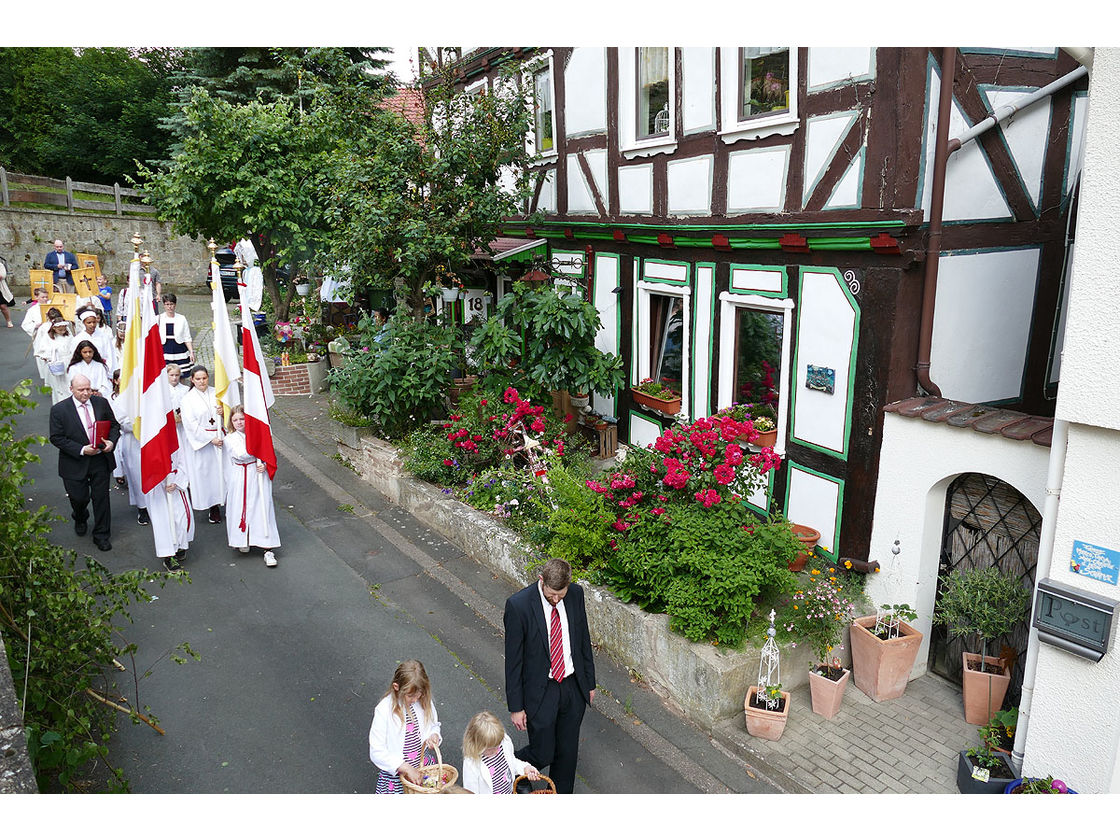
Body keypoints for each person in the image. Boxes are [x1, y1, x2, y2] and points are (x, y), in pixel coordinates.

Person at [503, 556, 596, 794]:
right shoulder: (518, 605)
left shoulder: (575, 595)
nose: (556, 600)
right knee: (544, 751)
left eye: (560, 595)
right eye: (551, 594)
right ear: (541, 580)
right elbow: (514, 661)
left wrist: (589, 682)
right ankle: (506, 766)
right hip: (541, 690)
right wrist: (516, 706)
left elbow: (583, 639)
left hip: (573, 685)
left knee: (566, 755)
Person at [48, 373, 120, 551]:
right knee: (79, 498)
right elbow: (56, 438)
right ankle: (80, 516)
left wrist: (111, 442)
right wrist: (81, 450)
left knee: (101, 498)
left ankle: (102, 535)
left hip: (100, 459)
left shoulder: (101, 403)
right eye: (81, 389)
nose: (86, 393)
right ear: (71, 389)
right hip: (74, 461)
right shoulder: (59, 410)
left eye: (88, 388)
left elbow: (114, 425)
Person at [368, 660, 442, 794]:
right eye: (411, 696)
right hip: (397, 776)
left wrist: (434, 735)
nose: (415, 700)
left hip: (423, 768)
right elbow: (376, 751)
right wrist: (405, 767)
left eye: (419, 695)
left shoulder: (423, 701)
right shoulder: (384, 710)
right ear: (396, 687)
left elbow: (433, 725)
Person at [224, 405, 280, 567]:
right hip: (240, 475)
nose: (239, 422)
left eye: (242, 418)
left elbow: (268, 452)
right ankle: (244, 538)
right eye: (235, 420)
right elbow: (240, 454)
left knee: (261, 508)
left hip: (258, 475)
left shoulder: (257, 434)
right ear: (231, 422)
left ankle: (267, 548)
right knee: (241, 508)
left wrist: (264, 462)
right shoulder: (230, 439)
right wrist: (258, 448)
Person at [179, 366, 225, 523]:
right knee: (208, 475)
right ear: (192, 379)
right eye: (198, 379)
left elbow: (232, 413)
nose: (202, 381)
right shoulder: (187, 399)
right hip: (203, 442)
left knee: (224, 471)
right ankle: (213, 507)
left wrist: (224, 412)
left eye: (204, 378)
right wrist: (210, 439)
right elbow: (190, 424)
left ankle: (227, 500)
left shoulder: (217, 393)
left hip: (220, 436)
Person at [461, 710, 540, 795]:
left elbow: (512, 761)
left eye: (497, 745)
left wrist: (524, 768)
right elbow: (470, 792)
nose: (496, 751)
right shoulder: (471, 764)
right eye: (490, 749)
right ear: (476, 744)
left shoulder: (504, 742)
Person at [147, 444, 194, 572]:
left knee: (181, 517)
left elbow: (183, 461)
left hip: (175, 483)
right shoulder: (150, 434)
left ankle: (179, 545)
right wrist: (162, 479)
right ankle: (169, 555)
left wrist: (175, 480)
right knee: (164, 521)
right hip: (158, 486)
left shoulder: (174, 436)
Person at [34, 316, 75, 403]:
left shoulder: (68, 337)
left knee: (69, 383)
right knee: (58, 385)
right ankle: (59, 402)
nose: (62, 331)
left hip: (68, 362)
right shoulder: (49, 337)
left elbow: (73, 347)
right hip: (56, 363)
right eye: (59, 330)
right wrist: (51, 352)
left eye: (64, 329)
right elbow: (42, 349)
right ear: (54, 328)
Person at [71, 307, 116, 373]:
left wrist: (108, 370)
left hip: (102, 370)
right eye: (89, 322)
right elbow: (75, 357)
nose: (92, 325)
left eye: (94, 322)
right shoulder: (78, 339)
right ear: (84, 323)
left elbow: (110, 355)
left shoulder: (104, 337)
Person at [159, 293, 194, 375]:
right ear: (164, 305)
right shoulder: (159, 318)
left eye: (171, 304)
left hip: (179, 350)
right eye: (167, 304)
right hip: (165, 350)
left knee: (181, 374)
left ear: (175, 305)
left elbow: (187, 337)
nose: (169, 307)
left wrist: (191, 352)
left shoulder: (182, 318)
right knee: (165, 375)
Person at [23, 288, 54, 380]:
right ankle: (46, 379)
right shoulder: (32, 310)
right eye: (42, 297)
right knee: (42, 357)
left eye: (46, 297)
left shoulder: (52, 307)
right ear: (36, 297)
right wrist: (35, 326)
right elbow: (25, 324)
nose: (45, 299)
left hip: (53, 335)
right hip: (40, 336)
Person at [0, 254, 14, 327]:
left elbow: (2, 275)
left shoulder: (0, 265)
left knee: (3, 306)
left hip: (0, 289)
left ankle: (8, 321)